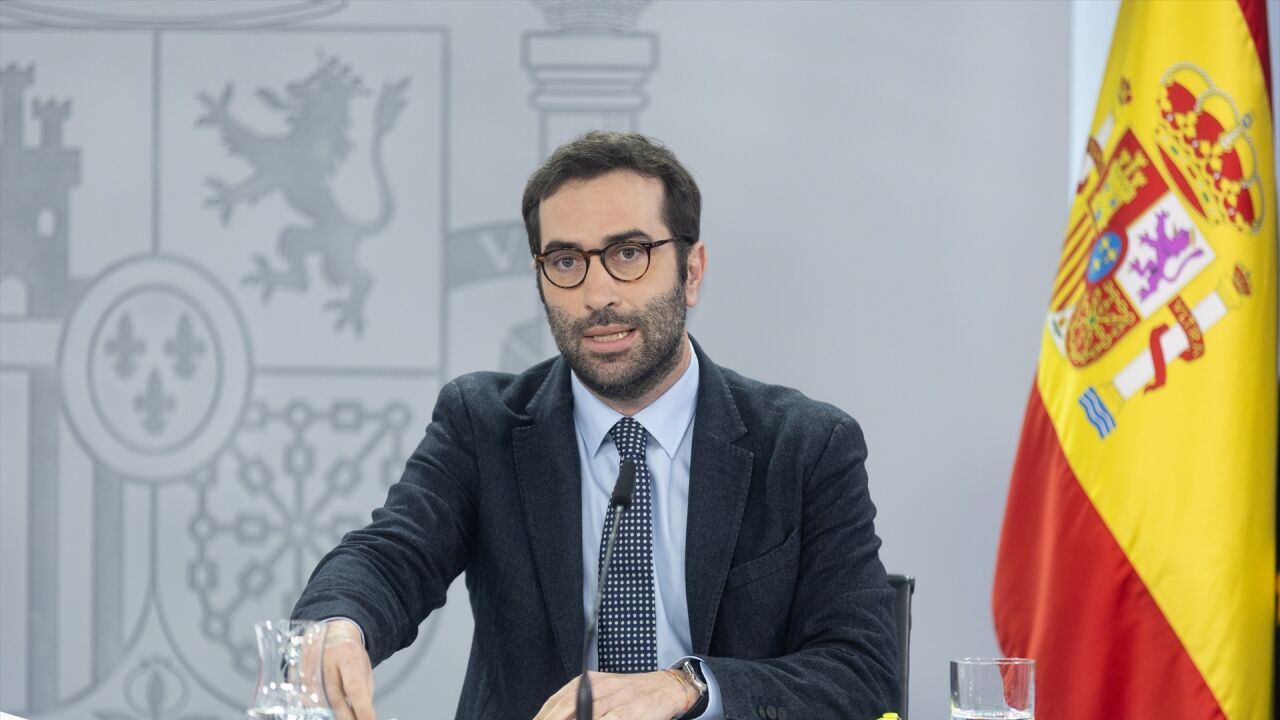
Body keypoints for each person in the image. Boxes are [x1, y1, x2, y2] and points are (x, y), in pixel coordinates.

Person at [292, 131, 900, 720]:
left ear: (691, 271)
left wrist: (686, 687)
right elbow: (392, 554)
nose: (597, 294)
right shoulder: (482, 425)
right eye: (565, 261)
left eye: (628, 253)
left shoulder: (804, 446)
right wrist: (340, 626)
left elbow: (862, 670)